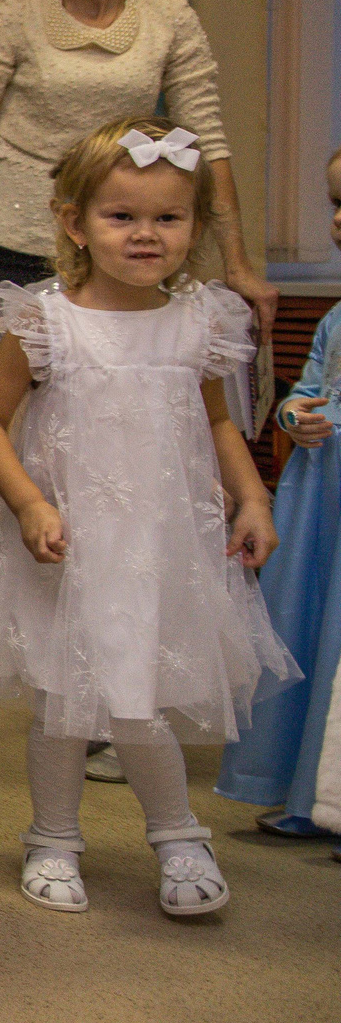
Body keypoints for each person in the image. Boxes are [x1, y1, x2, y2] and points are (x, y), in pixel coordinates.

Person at [0, 118, 298, 917]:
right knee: (65, 698)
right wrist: (29, 500)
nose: (146, 234)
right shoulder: (44, 320)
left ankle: (179, 835)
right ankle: (52, 837)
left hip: (164, 543)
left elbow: (217, 421)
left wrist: (251, 495)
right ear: (76, 222)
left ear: (195, 226)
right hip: (71, 544)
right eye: (122, 216)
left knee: (139, 696)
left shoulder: (201, 320)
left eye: (168, 217)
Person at [0, 0, 277, 478]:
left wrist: (238, 264)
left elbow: (208, 142)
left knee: (103, 421)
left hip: (119, 248)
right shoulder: (17, 11)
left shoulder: (170, 17)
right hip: (4, 241)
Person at [216, 145, 341, 836]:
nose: (340, 221)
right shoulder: (334, 318)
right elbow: (311, 386)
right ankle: (306, 790)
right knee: (310, 633)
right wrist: (298, 413)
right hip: (322, 493)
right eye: (336, 204)